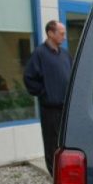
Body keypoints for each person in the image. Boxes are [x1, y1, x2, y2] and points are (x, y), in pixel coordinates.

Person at [24, 20, 72, 176]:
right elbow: (29, 78)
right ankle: (55, 174)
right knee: (52, 143)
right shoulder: (39, 54)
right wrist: (45, 92)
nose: (64, 37)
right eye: (61, 33)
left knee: (65, 141)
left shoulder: (64, 55)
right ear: (51, 33)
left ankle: (66, 172)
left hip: (65, 108)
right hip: (50, 108)